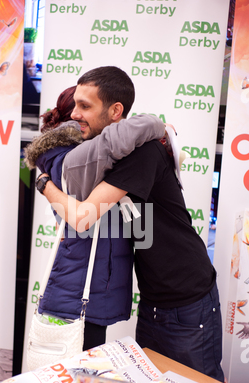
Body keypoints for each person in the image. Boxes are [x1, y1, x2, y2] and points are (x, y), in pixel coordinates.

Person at [40, 66, 225, 382]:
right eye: (75, 105)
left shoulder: (141, 153)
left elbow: (82, 216)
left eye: (86, 106)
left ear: (115, 111)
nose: (75, 113)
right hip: (154, 298)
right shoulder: (113, 151)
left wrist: (43, 184)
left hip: (187, 296)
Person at [25, 82, 166, 350]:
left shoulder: (73, 154)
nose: (81, 114)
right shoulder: (70, 156)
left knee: (83, 368)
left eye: (86, 106)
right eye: (77, 107)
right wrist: (158, 126)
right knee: (74, 371)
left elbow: (135, 225)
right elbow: (116, 141)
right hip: (79, 285)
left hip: (93, 278)